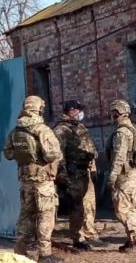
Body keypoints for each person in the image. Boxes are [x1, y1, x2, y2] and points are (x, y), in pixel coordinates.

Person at [3, 95, 64, 263]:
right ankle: (45, 254)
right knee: (45, 215)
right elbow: (51, 154)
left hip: (26, 180)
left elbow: (8, 154)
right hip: (43, 180)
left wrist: (25, 157)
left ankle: (20, 251)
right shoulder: (42, 129)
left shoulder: (16, 131)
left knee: (26, 215)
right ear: (39, 109)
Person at [53, 99, 105, 250]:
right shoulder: (61, 130)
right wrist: (62, 176)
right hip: (73, 174)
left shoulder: (79, 127)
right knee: (76, 206)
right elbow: (58, 154)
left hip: (85, 172)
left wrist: (93, 168)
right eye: (78, 110)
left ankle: (88, 233)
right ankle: (78, 237)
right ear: (71, 111)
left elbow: (89, 149)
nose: (81, 113)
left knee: (88, 205)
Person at [105, 99, 136, 253]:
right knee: (130, 209)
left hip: (124, 177)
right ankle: (133, 239)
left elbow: (119, 157)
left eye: (113, 113)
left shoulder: (122, 133)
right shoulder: (133, 129)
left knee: (123, 211)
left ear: (117, 113)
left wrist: (112, 177)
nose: (112, 116)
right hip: (132, 175)